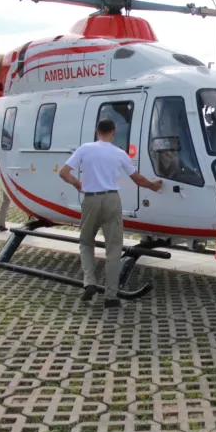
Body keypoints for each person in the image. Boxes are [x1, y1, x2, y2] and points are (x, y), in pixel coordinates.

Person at [59, 118, 163, 308]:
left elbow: (63, 173)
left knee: (86, 242)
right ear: (113, 132)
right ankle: (111, 296)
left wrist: (76, 183)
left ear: (96, 131)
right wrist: (153, 186)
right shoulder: (119, 153)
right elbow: (137, 179)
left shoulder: (85, 149)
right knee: (114, 249)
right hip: (112, 200)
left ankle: (89, 282)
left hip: (91, 199)